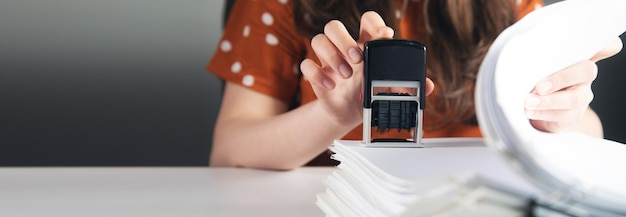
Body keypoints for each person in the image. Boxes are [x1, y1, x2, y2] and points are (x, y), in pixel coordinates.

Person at [207, 0, 623, 170]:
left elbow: (591, 132)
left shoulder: (510, 5)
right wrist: (332, 115)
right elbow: (229, 153)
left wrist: (560, 117)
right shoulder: (276, 4)